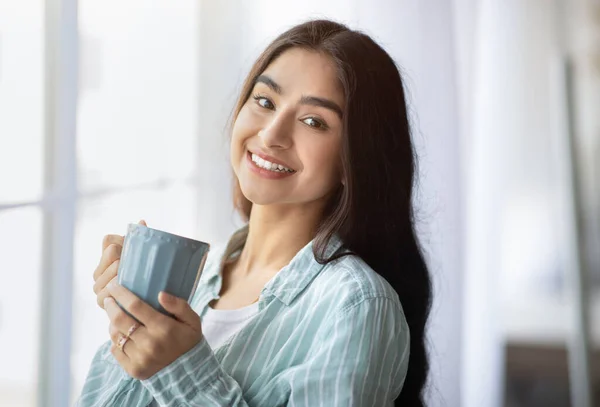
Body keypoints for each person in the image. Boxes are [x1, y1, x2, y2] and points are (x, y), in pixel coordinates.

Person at [77, 19, 432, 407]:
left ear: (356, 159)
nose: (271, 135)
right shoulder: (198, 278)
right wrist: (128, 317)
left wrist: (179, 370)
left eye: (314, 121)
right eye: (264, 101)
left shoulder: (356, 306)